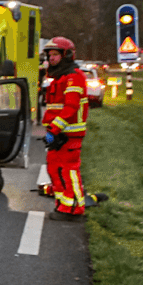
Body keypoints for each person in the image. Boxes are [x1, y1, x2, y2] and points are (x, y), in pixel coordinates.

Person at [40, 36, 89, 219]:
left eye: (55, 55)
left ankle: (74, 209)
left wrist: (54, 130)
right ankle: (63, 205)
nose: (51, 59)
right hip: (59, 134)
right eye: (49, 55)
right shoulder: (60, 77)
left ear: (66, 55)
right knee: (55, 169)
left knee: (68, 170)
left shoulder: (73, 77)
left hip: (69, 135)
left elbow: (71, 107)